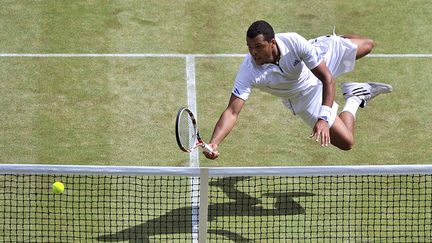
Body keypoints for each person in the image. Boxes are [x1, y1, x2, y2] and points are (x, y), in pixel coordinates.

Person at [204, 20, 392, 160]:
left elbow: (328, 79)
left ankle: (331, 40)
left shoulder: (294, 41)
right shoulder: (249, 70)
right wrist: (215, 142)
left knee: (367, 45)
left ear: (272, 43)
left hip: (317, 65)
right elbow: (232, 111)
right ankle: (354, 97)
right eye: (250, 47)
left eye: (258, 47)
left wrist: (324, 118)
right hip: (304, 99)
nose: (253, 52)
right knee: (347, 142)